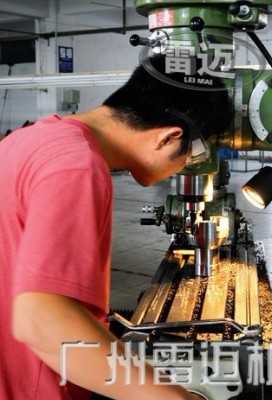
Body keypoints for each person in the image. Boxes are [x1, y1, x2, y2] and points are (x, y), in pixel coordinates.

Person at [0, 55, 232, 400]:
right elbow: (41, 321)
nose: (187, 164)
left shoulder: (25, 140)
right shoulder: (78, 166)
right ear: (168, 137)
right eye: (193, 155)